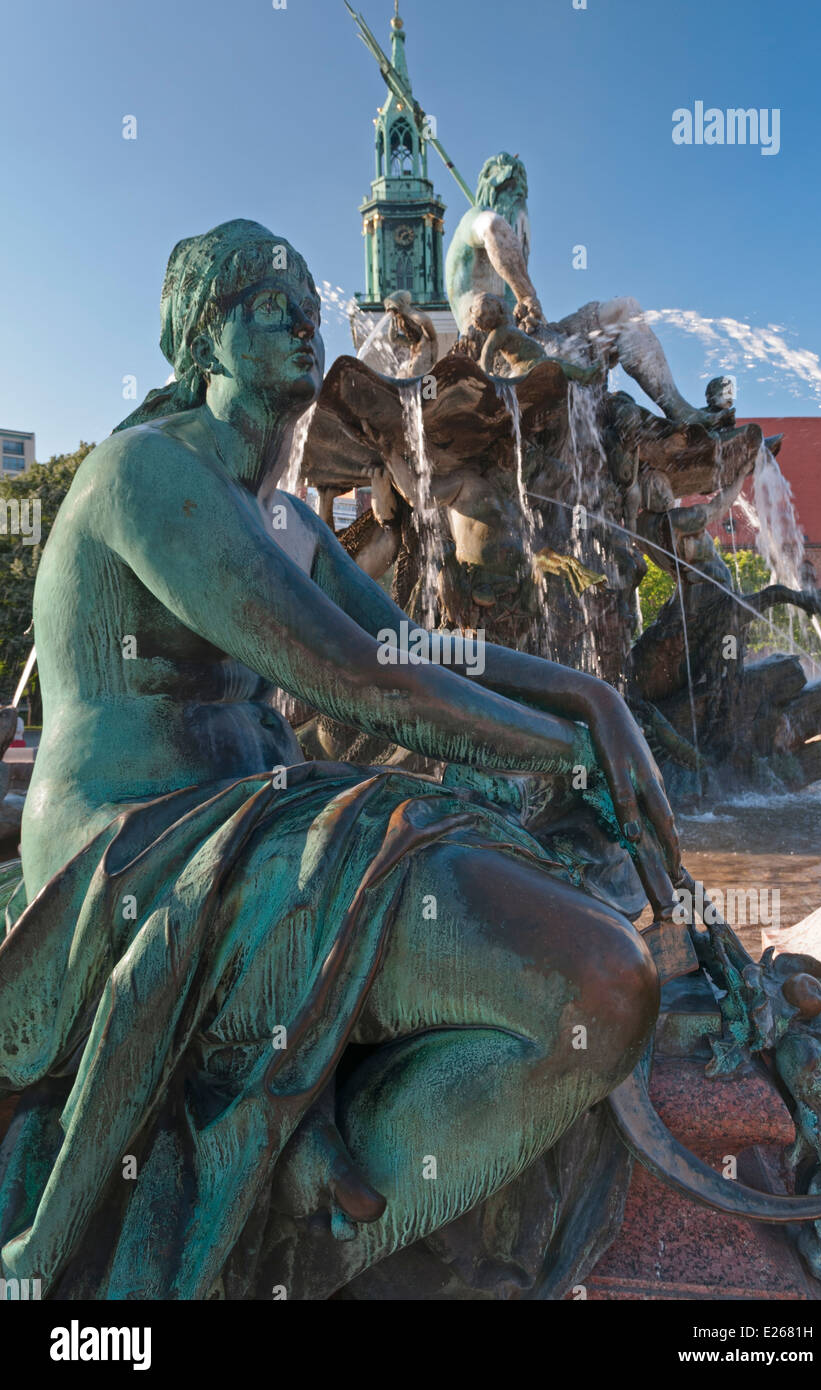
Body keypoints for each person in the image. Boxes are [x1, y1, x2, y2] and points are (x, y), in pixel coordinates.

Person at [1, 220, 680, 1300]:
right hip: (131, 853)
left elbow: (416, 645)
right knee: (595, 983)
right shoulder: (149, 474)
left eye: (303, 303)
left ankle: (319, 1208)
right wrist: (575, 757)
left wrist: (589, 693)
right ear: (200, 335)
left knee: (552, 915)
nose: (300, 318)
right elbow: (359, 680)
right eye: (265, 302)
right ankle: (286, 1251)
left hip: (260, 822)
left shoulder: (277, 517)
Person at [445, 153, 725, 428]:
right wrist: (527, 295)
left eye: (521, 196)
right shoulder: (474, 222)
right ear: (489, 187)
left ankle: (678, 408)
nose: (518, 201)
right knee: (566, 356)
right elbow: (494, 229)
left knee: (624, 311)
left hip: (538, 339)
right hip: (503, 358)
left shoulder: (514, 255)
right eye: (509, 191)